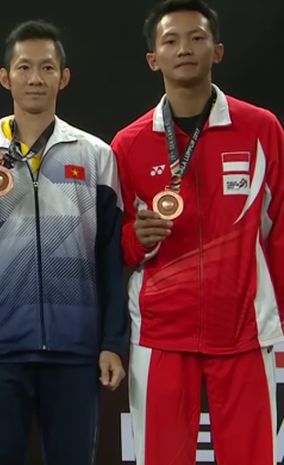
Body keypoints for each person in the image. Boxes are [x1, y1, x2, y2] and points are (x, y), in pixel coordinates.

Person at [0, 19, 127, 465]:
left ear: (64, 76)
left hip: (75, 352)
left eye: (47, 68)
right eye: (24, 68)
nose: (35, 78)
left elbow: (111, 258)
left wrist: (112, 341)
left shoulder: (95, 155)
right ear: (5, 77)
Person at [111, 1, 284, 464]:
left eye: (197, 38)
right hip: (161, 333)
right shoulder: (127, 144)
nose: (184, 49)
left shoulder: (261, 129)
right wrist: (136, 239)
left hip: (245, 330)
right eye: (170, 40)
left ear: (218, 50)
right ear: (154, 59)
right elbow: (113, 246)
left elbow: (280, 233)